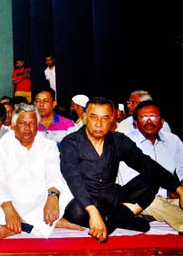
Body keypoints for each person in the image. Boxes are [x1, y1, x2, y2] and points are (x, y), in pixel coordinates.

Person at [60, 97, 183, 242]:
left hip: (113, 198)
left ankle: (111, 220)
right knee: (75, 212)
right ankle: (121, 218)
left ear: (112, 119)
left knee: (151, 177)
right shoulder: (71, 142)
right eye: (94, 117)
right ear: (85, 117)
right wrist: (92, 211)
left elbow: (146, 164)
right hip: (84, 200)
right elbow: (73, 178)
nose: (99, 124)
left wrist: (178, 189)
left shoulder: (119, 140)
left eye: (105, 118)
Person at [0, 104, 82, 240]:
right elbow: (0, 181)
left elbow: (54, 174)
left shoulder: (47, 145)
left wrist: (52, 197)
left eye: (32, 123)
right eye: (22, 123)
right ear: (13, 125)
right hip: (11, 200)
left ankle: (22, 225)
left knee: (67, 191)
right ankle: (41, 224)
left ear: (37, 125)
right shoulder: (1, 146)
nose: (27, 128)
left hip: (41, 200)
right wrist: (9, 210)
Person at [117, 101, 183, 232]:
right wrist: (171, 192)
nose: (149, 121)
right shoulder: (126, 143)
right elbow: (133, 183)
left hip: (173, 195)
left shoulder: (173, 140)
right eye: (143, 117)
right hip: (142, 197)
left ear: (162, 122)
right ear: (135, 123)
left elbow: (181, 169)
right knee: (154, 203)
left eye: (153, 117)